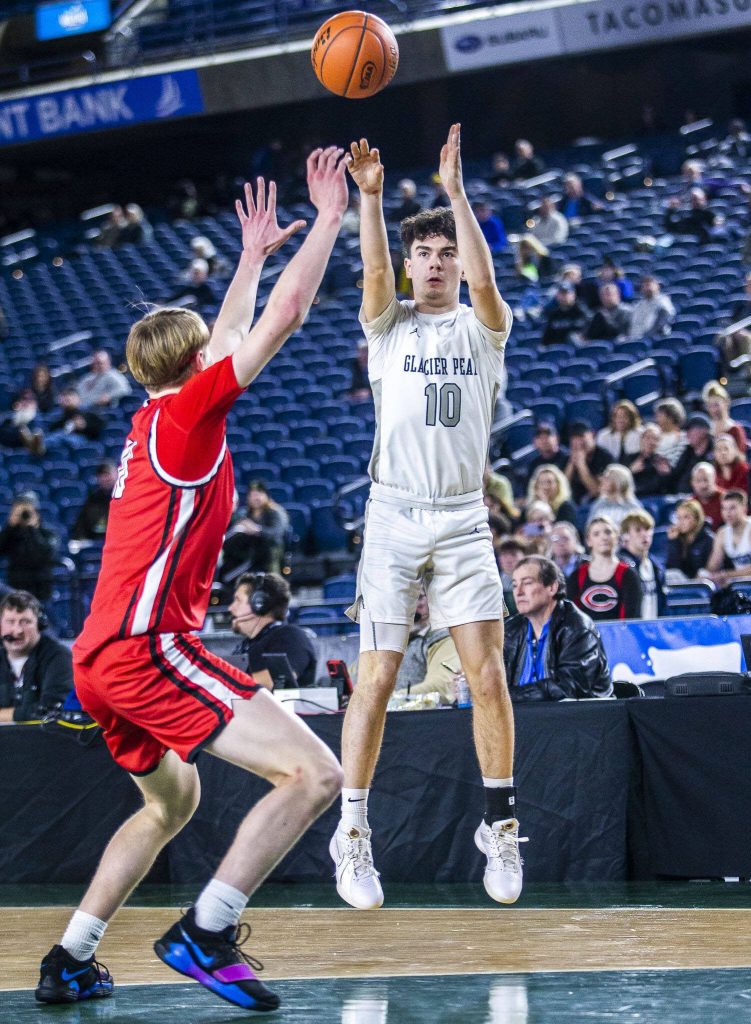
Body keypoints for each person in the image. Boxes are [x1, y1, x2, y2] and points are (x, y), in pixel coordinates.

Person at [35, 149, 349, 1010]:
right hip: (146, 648)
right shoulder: (188, 416)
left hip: (96, 659)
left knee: (170, 803)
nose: (223, 344)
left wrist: (248, 253)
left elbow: (237, 327)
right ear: (194, 360)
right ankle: (207, 928)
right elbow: (277, 321)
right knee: (315, 776)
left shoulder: (153, 416)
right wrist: (328, 218)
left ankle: (70, 956)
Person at [334, 125, 523, 912]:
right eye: (427, 254)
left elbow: (486, 281)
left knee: (486, 675)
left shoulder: (484, 329)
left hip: (460, 519)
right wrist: (370, 200)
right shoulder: (387, 329)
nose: (437, 261)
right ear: (412, 266)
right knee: (374, 678)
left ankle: (501, 825)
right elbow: (372, 268)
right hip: (393, 519)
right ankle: (351, 832)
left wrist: (454, 196)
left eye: (445, 251)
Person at [504, 555, 612, 701]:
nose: (518, 592)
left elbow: (568, 688)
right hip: (525, 717)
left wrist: (505, 696)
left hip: (578, 718)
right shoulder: (511, 629)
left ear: (552, 587)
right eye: (515, 585)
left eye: (527, 583)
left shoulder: (577, 628)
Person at [228, 572, 316, 689]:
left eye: (238, 600)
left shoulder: (290, 636)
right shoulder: (247, 645)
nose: (231, 608)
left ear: (259, 604)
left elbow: (273, 682)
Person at [0, 590, 72, 723]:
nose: (18, 630)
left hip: (42, 740)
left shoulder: (59, 657)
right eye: (10, 622)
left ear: (40, 625)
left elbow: (50, 711)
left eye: (25, 622)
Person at [567, 515, 642, 620]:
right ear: (589, 540)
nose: (604, 537)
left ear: (616, 536)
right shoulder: (577, 576)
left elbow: (631, 618)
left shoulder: (628, 574)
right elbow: (572, 617)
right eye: (596, 534)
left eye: (608, 532)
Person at [219, 481, 289, 593]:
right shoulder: (244, 514)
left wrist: (257, 530)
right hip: (246, 556)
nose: (256, 498)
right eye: (252, 494)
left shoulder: (275, 513)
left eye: (259, 494)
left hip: (267, 556)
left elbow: (276, 533)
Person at [0, 493, 58, 601]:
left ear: (36, 512)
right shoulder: (11, 532)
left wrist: (33, 529)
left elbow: (46, 553)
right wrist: (10, 526)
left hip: (40, 587)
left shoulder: (48, 532)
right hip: (15, 586)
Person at [618, 510, 667, 618]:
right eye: (638, 530)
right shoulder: (620, 566)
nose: (645, 534)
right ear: (625, 535)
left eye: (648, 529)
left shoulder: (656, 566)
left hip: (653, 629)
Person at [704, 489, 751, 587]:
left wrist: (727, 575)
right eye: (724, 508)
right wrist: (706, 575)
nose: (727, 513)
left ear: (744, 508)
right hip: (740, 583)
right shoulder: (722, 533)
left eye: (732, 508)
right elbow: (713, 566)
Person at [564, 420, 611, 505]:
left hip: (599, 504)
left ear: (592, 435)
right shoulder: (567, 458)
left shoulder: (604, 456)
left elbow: (597, 492)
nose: (578, 441)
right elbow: (561, 489)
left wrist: (581, 466)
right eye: (574, 438)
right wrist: (571, 465)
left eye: (581, 436)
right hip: (574, 504)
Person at [587, 464, 645, 530]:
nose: (602, 481)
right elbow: (589, 530)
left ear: (618, 482)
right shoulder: (598, 504)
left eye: (607, 478)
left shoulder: (633, 507)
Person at [666, 499, 714, 578]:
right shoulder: (677, 539)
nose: (681, 522)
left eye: (686, 517)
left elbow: (709, 570)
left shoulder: (709, 540)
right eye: (679, 518)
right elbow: (673, 568)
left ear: (697, 518)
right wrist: (673, 541)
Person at [71, 461, 118, 541]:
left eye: (107, 474)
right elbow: (81, 524)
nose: (105, 478)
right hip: (96, 541)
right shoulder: (93, 499)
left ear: (116, 473)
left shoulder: (126, 496)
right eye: (101, 475)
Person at [668, 413, 714, 494]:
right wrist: (666, 472)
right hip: (679, 497)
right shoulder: (688, 451)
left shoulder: (715, 451)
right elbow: (675, 475)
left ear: (704, 430)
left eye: (690, 430)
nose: (687, 434)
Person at [627, 423, 671, 497]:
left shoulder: (662, 461)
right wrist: (630, 471)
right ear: (642, 439)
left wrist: (666, 475)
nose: (651, 442)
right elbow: (620, 481)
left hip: (655, 498)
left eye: (655, 439)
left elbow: (667, 487)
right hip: (633, 497)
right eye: (648, 438)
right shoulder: (630, 458)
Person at [702, 380, 748, 453]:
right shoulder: (707, 432)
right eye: (710, 405)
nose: (714, 409)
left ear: (726, 403)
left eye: (716, 405)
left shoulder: (735, 430)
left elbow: (741, 459)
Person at [541, 282, 589, 346]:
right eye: (561, 294)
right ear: (557, 296)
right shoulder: (554, 315)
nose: (564, 297)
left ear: (573, 295)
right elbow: (546, 340)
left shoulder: (582, 311)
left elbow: (590, 332)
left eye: (567, 293)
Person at [654, 398, 687, 468]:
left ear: (671, 418)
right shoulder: (654, 439)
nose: (657, 420)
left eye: (659, 416)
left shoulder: (685, 438)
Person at [691, 461, 723, 529]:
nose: (703, 485)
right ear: (692, 483)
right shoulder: (691, 504)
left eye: (706, 480)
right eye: (698, 480)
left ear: (715, 479)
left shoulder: (725, 499)